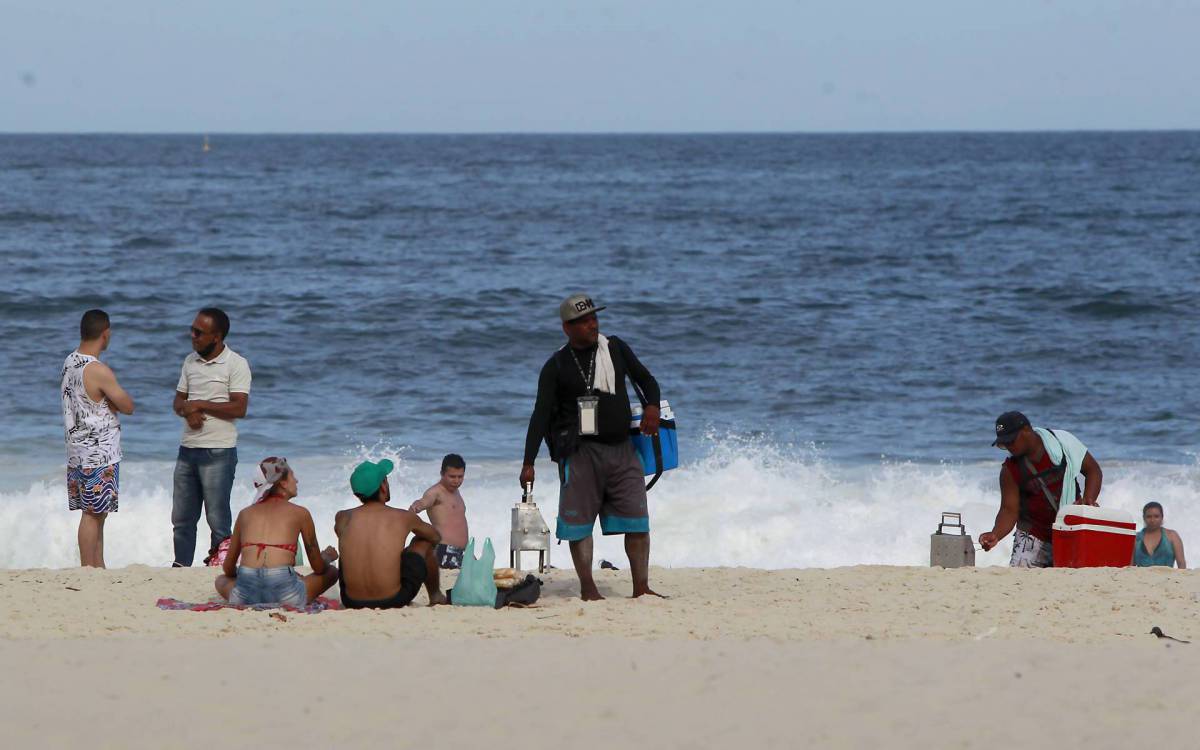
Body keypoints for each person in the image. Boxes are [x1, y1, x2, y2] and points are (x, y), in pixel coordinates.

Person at [521, 293, 665, 600]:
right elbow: (540, 414)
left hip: (623, 448)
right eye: (584, 321)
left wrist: (652, 407)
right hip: (580, 453)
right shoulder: (556, 365)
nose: (592, 324)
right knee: (579, 526)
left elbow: (647, 379)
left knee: (638, 520)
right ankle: (588, 588)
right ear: (566, 328)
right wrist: (528, 461)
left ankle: (642, 587)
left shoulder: (615, 348)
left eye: (594, 318)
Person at [171, 307, 251, 567]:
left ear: (216, 337)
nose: (192, 336)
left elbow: (239, 408)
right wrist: (188, 411)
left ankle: (219, 565)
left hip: (219, 451)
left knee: (217, 519)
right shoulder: (189, 362)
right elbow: (178, 401)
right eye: (192, 330)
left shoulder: (236, 364)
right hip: (188, 449)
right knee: (182, 519)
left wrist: (200, 405)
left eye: (199, 332)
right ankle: (181, 566)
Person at [979, 411, 1103, 568]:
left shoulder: (1062, 443)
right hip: (1032, 535)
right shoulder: (1010, 470)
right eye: (1004, 445)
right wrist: (995, 534)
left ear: (1026, 430)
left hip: (1070, 529)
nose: (1009, 447)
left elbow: (1093, 471)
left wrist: (1088, 502)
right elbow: (1008, 510)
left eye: (1011, 441)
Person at [60, 309, 135, 568]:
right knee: (93, 515)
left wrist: (107, 403)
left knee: (95, 513)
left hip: (77, 449)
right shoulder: (97, 369)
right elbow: (127, 405)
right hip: (99, 452)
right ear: (106, 334)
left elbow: (85, 401)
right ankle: (88, 567)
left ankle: (97, 565)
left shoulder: (70, 362)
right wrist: (112, 404)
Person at [215, 457, 340, 606]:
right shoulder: (301, 513)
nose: (297, 480)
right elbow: (318, 567)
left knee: (221, 580)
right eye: (293, 476)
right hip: (287, 594)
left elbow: (228, 568)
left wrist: (248, 576)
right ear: (283, 483)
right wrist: (327, 556)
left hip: (245, 595)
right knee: (331, 572)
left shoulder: (245, 514)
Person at [335, 459, 446, 608]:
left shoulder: (343, 517)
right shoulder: (403, 517)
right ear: (383, 486)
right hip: (393, 599)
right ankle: (436, 596)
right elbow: (435, 537)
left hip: (351, 600)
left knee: (352, 549)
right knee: (423, 542)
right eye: (386, 481)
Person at [409, 453, 469, 569]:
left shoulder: (456, 492)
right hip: (444, 550)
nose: (456, 481)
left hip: (463, 552)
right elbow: (423, 502)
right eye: (452, 476)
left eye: (460, 476)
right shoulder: (435, 492)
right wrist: (417, 505)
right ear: (442, 474)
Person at [1133, 501, 1186, 568]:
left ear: (1162, 517)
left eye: (1156, 516)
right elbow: (1130, 567)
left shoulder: (1172, 536)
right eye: (1149, 517)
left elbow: (1181, 564)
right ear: (1144, 518)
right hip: (1141, 578)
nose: (1152, 520)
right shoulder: (1136, 539)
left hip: (1167, 578)